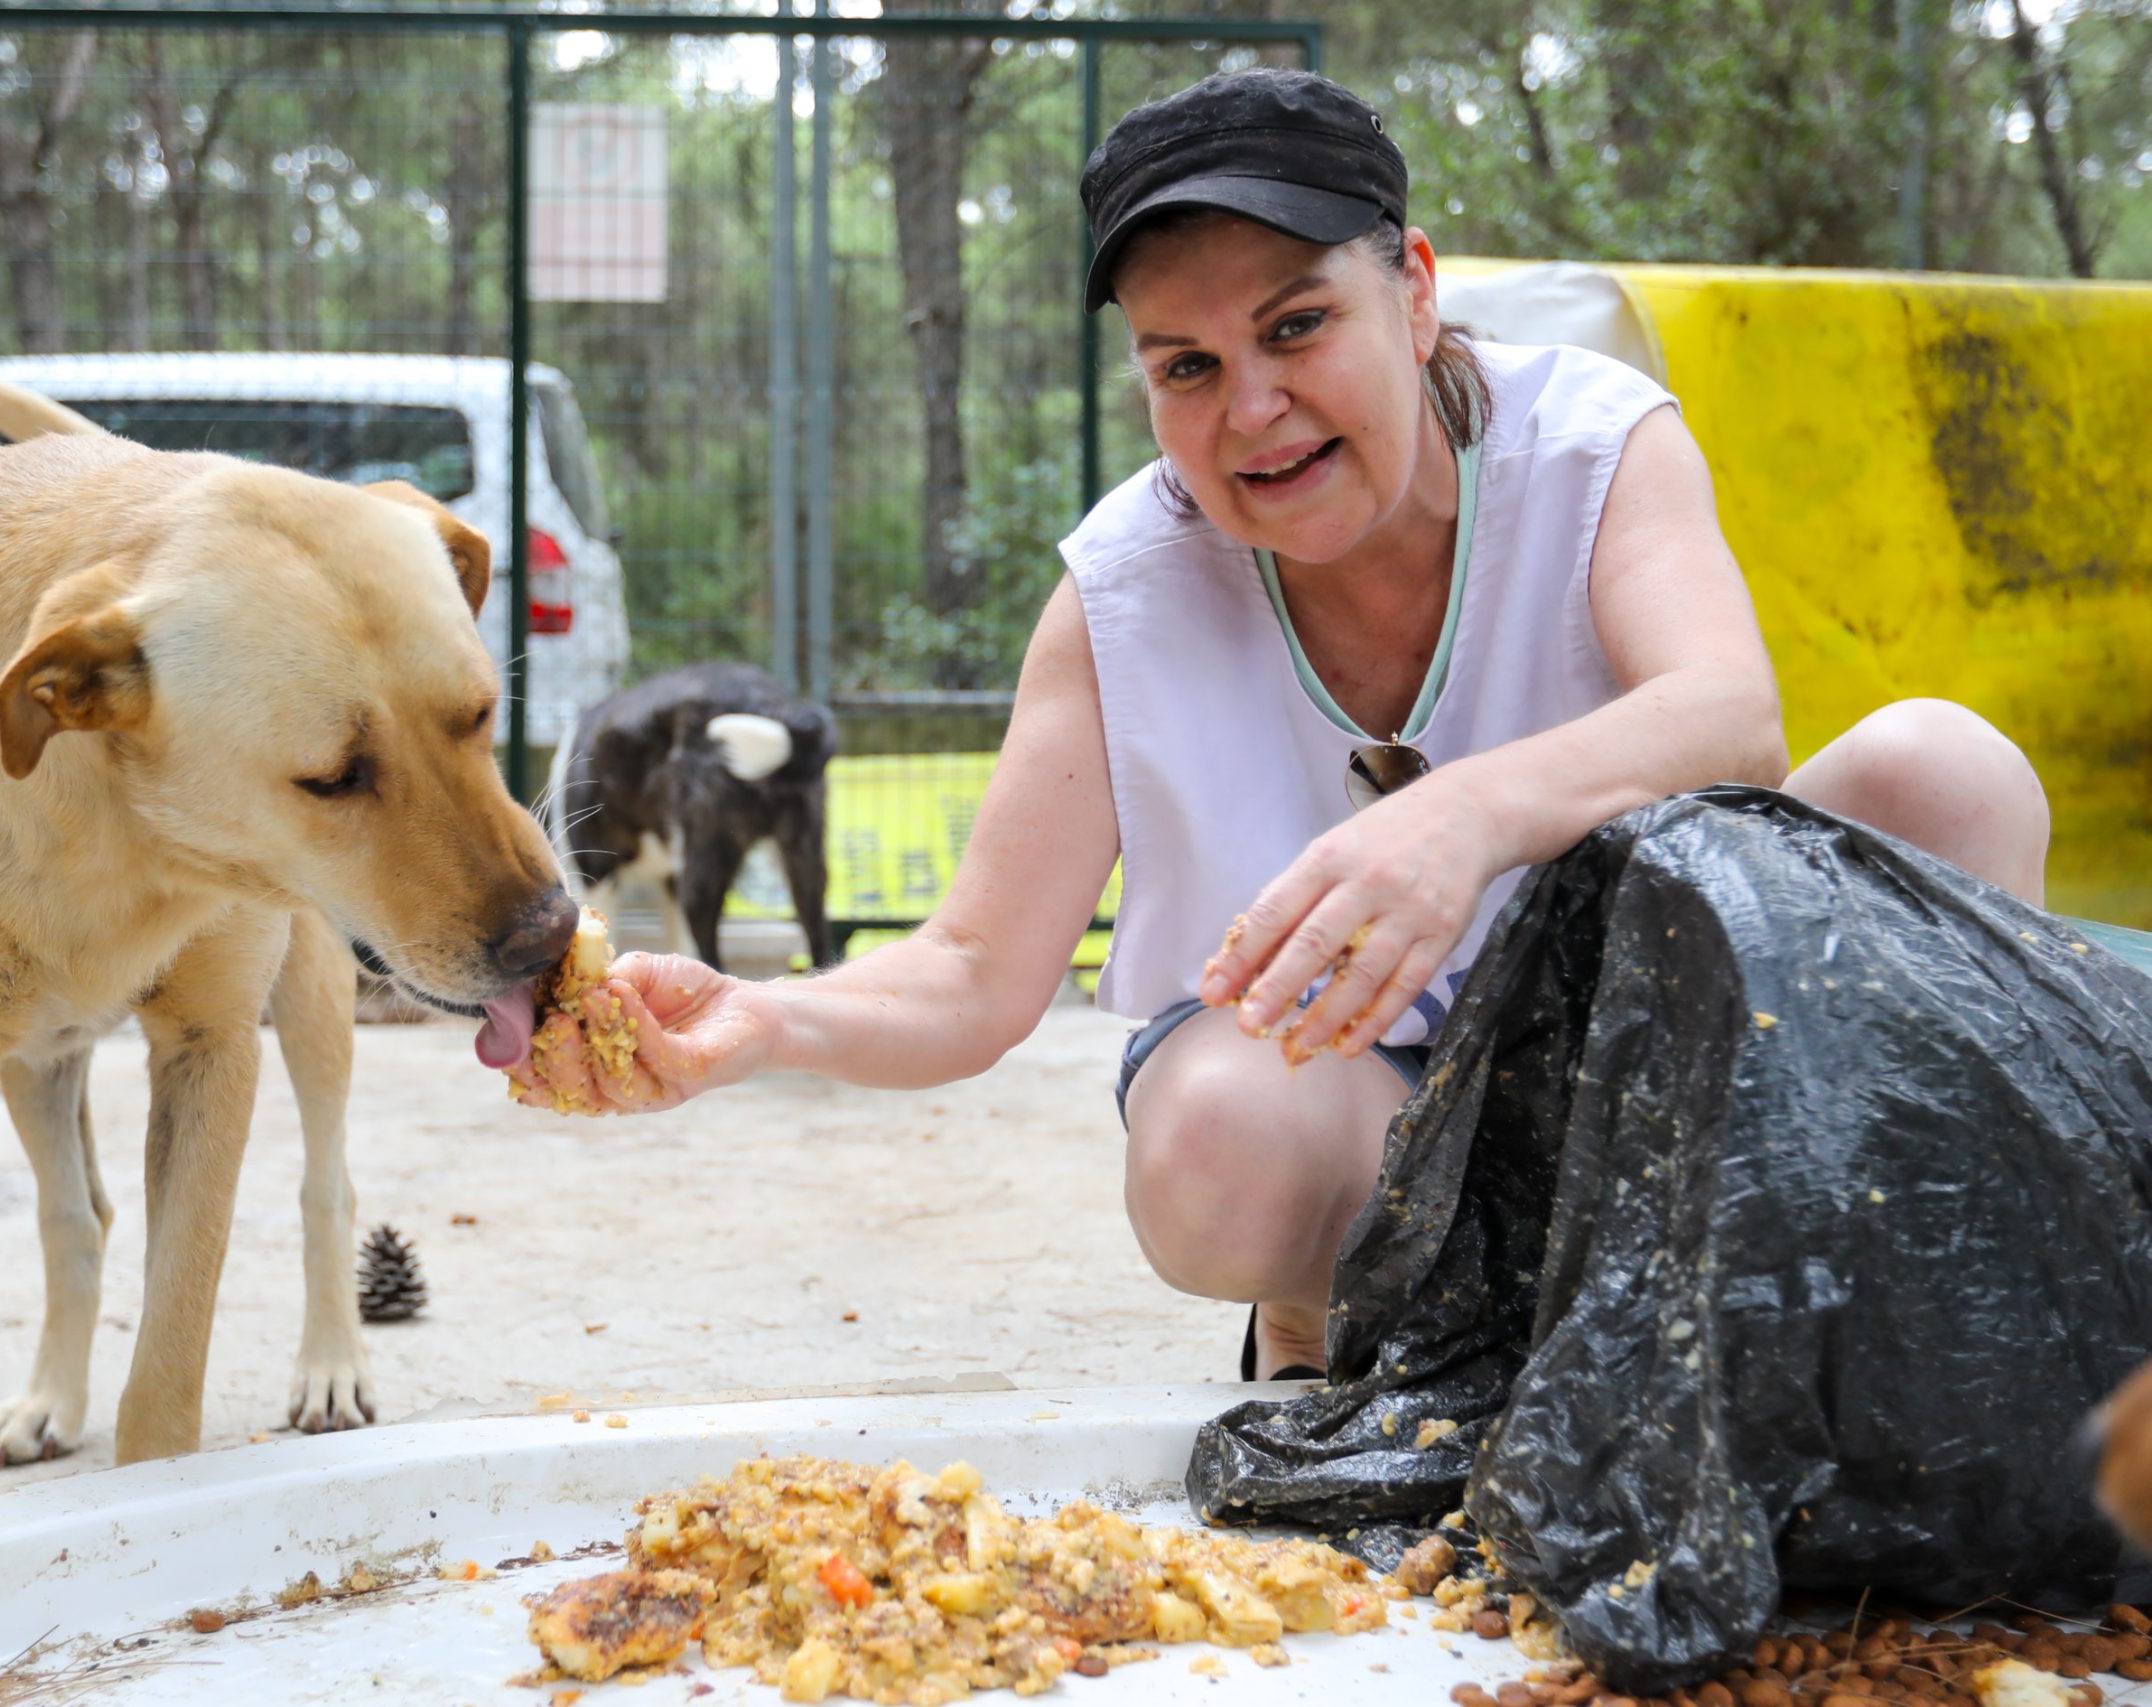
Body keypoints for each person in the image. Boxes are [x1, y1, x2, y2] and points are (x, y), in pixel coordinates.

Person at [509, 68, 2051, 1386]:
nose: (1251, 408)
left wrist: (1459, 814)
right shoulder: (1122, 593)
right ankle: (1326, 1343)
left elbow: (1727, 722)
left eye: (1297, 325)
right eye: (1187, 365)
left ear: (1418, 287)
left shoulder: (1592, 443)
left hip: (1657, 1059)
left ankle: (1922, 1339)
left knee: (1944, 774)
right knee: (1213, 1142)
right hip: (1355, 1114)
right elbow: (977, 970)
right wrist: (764, 1022)